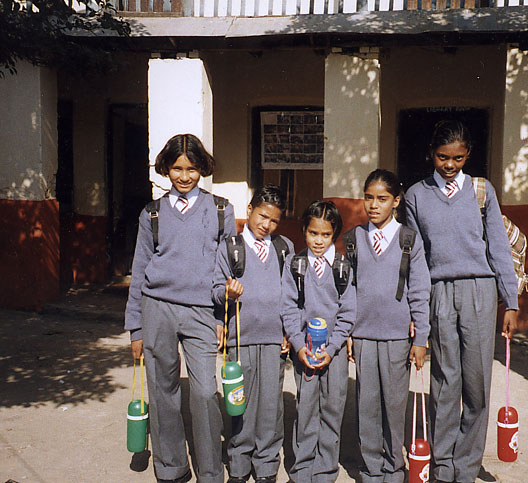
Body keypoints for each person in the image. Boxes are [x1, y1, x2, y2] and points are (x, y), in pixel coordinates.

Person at [404, 120, 519, 483]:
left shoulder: (482, 191)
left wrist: (510, 301)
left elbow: (499, 247)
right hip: (439, 292)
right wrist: (419, 312)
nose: (450, 165)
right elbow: (418, 261)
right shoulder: (415, 195)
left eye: (457, 158)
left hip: (479, 293)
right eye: (442, 157)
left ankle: (466, 469)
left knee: (476, 381)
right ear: (431, 155)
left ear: (467, 154)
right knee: (444, 380)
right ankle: (443, 465)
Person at [125, 133, 235, 483]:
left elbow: (226, 269)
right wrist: (136, 328)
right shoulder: (152, 213)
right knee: (162, 390)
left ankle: (209, 471)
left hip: (202, 311)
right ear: (166, 169)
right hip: (157, 308)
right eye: (177, 168)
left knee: (204, 392)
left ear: (202, 168)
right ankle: (170, 468)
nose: (184, 176)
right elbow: (139, 269)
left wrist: (221, 318)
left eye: (191, 168)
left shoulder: (221, 210)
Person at [344, 169, 431, 483]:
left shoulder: (409, 239)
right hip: (364, 335)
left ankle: (394, 466)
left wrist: (420, 336)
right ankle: (370, 468)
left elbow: (420, 290)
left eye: (382, 199)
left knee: (394, 406)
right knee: (366, 405)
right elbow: (348, 290)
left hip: (397, 336)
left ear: (396, 201)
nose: (374, 205)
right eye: (368, 198)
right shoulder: (354, 240)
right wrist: (349, 331)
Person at [212, 184, 294, 483]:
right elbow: (215, 291)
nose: (266, 225)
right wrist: (227, 292)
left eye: (273, 220)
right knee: (239, 403)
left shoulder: (284, 248)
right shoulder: (230, 247)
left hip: (273, 340)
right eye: (262, 216)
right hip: (241, 339)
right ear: (249, 210)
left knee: (271, 407)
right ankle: (239, 464)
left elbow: (291, 295)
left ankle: (267, 466)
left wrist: (288, 330)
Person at [280, 200, 356, 483]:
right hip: (305, 353)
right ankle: (302, 469)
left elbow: (348, 311)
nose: (319, 241)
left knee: (333, 409)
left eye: (325, 235)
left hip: (332, 354)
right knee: (307, 408)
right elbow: (289, 308)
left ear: (334, 233)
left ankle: (325, 470)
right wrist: (299, 346)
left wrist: (334, 345)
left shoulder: (342, 267)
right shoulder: (295, 265)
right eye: (313, 233)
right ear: (304, 231)